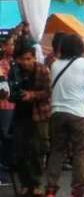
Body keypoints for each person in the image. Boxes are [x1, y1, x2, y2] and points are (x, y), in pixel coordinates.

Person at [45, 34, 84, 197]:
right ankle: (78, 190)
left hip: (57, 112)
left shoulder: (54, 65)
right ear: (79, 47)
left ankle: (51, 189)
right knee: (80, 152)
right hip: (78, 113)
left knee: (57, 150)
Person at [8, 43, 51, 197]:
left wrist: (32, 95)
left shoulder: (42, 70)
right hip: (21, 114)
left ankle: (36, 183)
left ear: (34, 58)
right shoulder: (14, 71)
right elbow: (12, 93)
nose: (26, 62)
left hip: (39, 114)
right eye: (22, 59)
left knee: (38, 148)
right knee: (21, 150)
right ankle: (25, 183)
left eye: (28, 59)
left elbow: (47, 92)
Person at [0, 37, 15, 174]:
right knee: (3, 134)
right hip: (4, 105)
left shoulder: (12, 62)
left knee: (7, 134)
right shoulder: (2, 63)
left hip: (11, 105)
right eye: (11, 44)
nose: (13, 46)